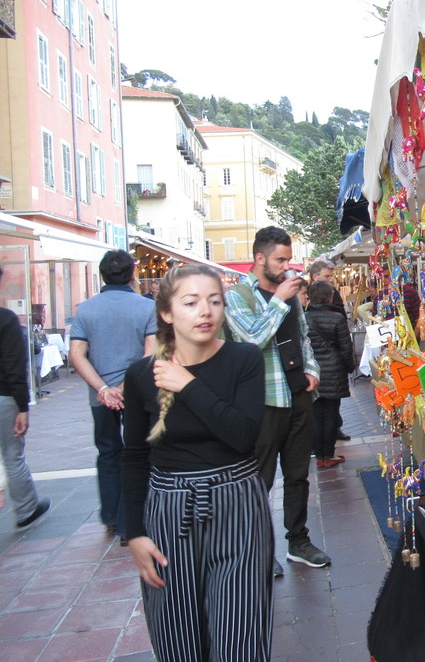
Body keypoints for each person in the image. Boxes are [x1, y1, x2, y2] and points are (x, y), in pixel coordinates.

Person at [122, 265, 272, 662]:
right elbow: (134, 455)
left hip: (237, 502)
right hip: (169, 509)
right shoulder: (141, 375)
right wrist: (134, 532)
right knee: (177, 636)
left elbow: (244, 436)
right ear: (166, 312)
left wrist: (187, 384)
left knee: (240, 635)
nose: (205, 311)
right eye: (191, 303)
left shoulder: (244, 358)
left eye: (214, 301)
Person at [224, 227, 327, 575]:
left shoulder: (290, 295)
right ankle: (259, 549)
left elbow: (303, 336)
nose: (286, 266)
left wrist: (312, 369)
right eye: (280, 260)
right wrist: (279, 300)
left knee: (298, 476)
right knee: (260, 481)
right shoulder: (237, 296)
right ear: (259, 258)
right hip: (262, 402)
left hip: (298, 396)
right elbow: (252, 341)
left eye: (288, 259)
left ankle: (298, 541)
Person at [70, 250, 157, 543]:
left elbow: (77, 355)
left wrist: (104, 389)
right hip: (137, 393)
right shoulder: (147, 307)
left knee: (108, 452)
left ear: (102, 275)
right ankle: (128, 522)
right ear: (132, 274)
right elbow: (151, 353)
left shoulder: (86, 309)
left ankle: (110, 515)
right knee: (136, 453)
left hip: (100, 397)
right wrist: (123, 387)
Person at [0, 265, 49, 528]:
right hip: (3, 397)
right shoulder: (6, 320)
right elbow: (14, 367)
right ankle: (26, 508)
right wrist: (23, 406)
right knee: (12, 455)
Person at [304, 281, 355, 468]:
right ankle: (328, 454)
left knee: (317, 414)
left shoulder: (305, 318)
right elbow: (346, 348)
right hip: (334, 370)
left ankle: (319, 455)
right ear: (329, 297)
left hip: (312, 372)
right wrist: (350, 367)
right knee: (332, 412)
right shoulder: (337, 318)